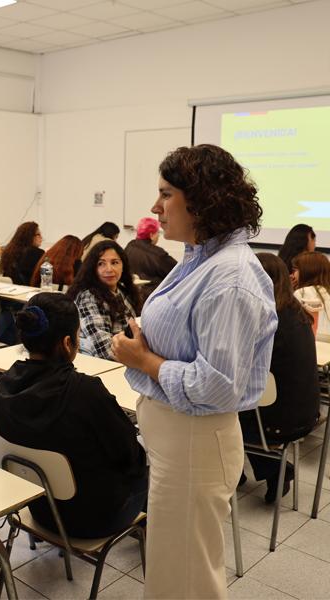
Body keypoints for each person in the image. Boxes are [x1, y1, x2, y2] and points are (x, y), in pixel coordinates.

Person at [112, 144, 278, 599]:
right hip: (177, 440)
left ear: (201, 201)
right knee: (173, 574)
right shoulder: (199, 257)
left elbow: (217, 386)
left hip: (194, 443)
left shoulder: (229, 277)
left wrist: (142, 359)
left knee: (187, 581)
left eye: (165, 194)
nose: (154, 207)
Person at [0, 293, 147, 537]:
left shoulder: (5, 386)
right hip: (96, 518)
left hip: (42, 509)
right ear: (67, 343)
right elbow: (129, 454)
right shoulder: (85, 393)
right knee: (150, 464)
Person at [238, 254, 319, 503]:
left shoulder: (266, 318)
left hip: (278, 420)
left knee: (220, 413)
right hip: (308, 412)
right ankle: (240, 473)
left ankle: (274, 470)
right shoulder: (295, 310)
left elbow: (238, 369)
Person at [66, 240, 141, 361]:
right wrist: (144, 357)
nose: (109, 269)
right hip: (105, 365)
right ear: (92, 268)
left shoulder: (123, 291)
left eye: (115, 262)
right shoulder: (89, 297)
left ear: (123, 265)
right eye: (101, 264)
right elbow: (103, 350)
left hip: (127, 360)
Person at [124, 217, 177, 290]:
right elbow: (178, 272)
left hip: (133, 294)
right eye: (157, 233)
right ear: (151, 235)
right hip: (153, 296)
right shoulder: (158, 254)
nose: (158, 235)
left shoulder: (129, 246)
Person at [291, 251, 330, 339]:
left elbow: (311, 328)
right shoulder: (326, 291)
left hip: (312, 346)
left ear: (307, 271)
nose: (293, 274)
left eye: (295, 270)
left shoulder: (303, 292)